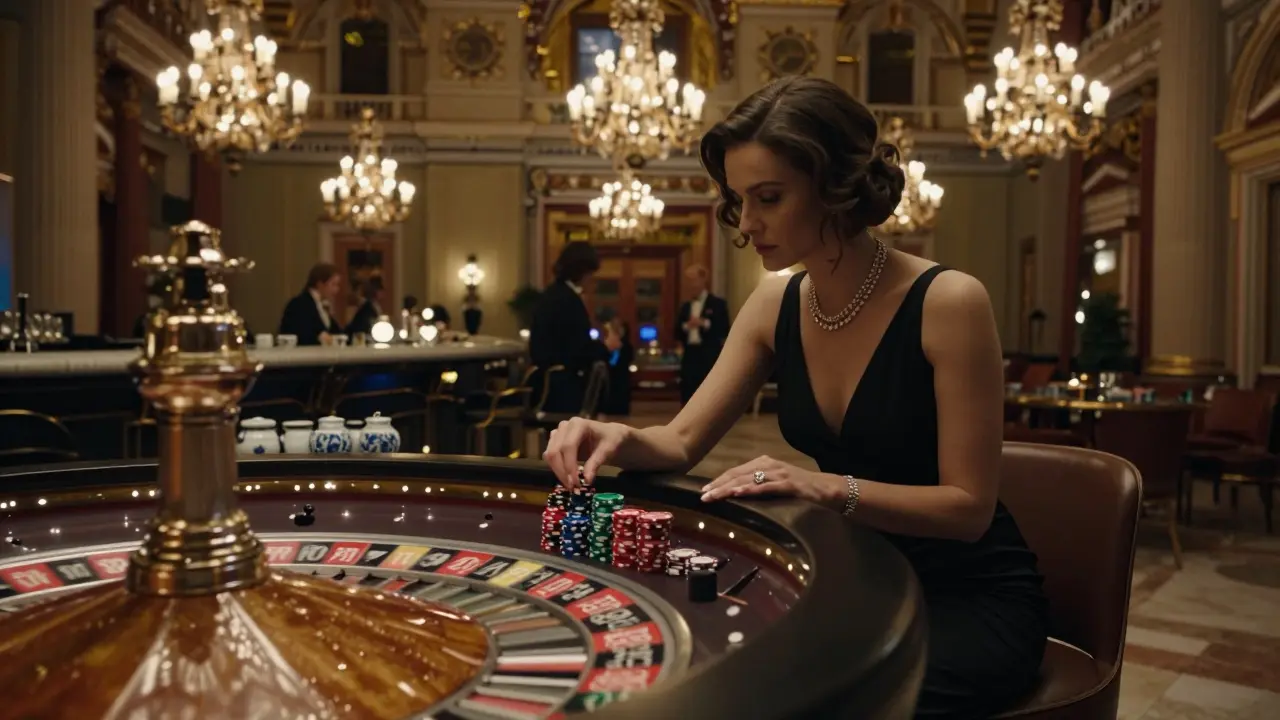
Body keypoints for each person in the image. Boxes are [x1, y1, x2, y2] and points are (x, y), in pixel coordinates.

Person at [540, 77, 1047, 719]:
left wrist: (824, 486)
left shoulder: (950, 301)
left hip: (966, 597)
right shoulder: (775, 299)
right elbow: (681, 440)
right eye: (739, 200)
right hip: (852, 579)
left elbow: (969, 509)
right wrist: (612, 433)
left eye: (769, 198)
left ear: (835, 185)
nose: (747, 224)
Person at [529, 241, 622, 414]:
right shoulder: (567, 300)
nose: (592, 279)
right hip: (561, 388)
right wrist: (606, 347)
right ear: (582, 271)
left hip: (551, 381)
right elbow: (577, 348)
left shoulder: (554, 294)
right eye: (591, 273)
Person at [676, 265, 730, 405]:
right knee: (688, 388)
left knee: (707, 390)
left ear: (703, 280)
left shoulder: (718, 304)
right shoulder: (685, 307)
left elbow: (724, 328)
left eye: (693, 279)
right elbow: (676, 331)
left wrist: (704, 323)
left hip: (708, 354)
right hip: (690, 354)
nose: (690, 284)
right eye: (688, 280)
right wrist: (687, 326)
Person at [278, 263, 343, 346]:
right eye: (333, 284)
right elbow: (303, 334)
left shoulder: (323, 306)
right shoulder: (299, 305)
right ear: (320, 284)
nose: (336, 289)